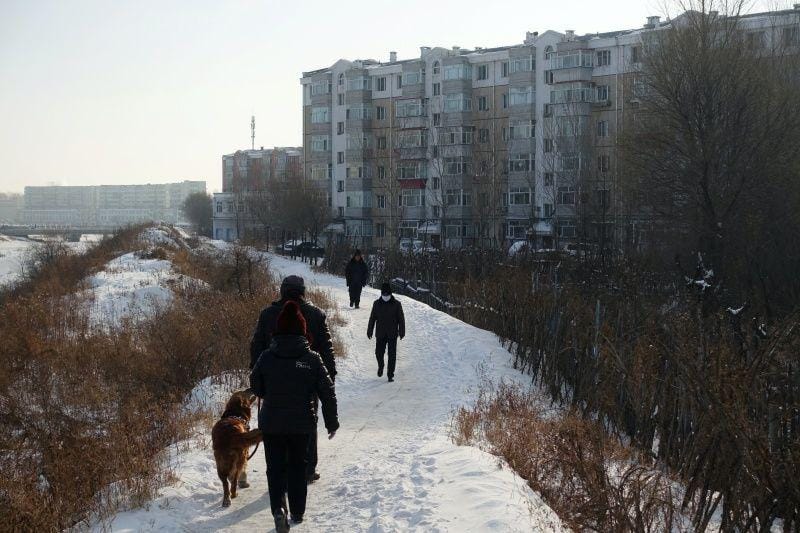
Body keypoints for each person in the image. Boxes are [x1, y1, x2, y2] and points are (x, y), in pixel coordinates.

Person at [250, 301, 339, 532]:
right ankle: (297, 511)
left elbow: (255, 384)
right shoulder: (311, 359)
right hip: (301, 423)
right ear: (303, 329)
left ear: (277, 329)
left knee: (275, 467)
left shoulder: (267, 357)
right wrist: (331, 422)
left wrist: (268, 391)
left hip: (272, 423)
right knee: (299, 466)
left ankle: (279, 509)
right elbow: (327, 391)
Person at [250, 275, 336, 484]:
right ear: (303, 291)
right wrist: (328, 376)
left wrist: (257, 373)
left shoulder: (268, 314)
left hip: (274, 378)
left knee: (277, 422)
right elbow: (326, 347)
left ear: (282, 290)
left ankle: (281, 470)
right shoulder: (316, 314)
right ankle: (307, 469)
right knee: (307, 420)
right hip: (307, 376)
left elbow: (257, 345)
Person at [367, 282, 405, 382]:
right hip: (380, 333)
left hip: (392, 333)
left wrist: (402, 331)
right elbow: (372, 318)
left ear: (390, 294)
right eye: (384, 294)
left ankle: (390, 374)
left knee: (392, 355)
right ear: (381, 294)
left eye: (387, 294)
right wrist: (369, 330)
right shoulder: (376, 304)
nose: (385, 296)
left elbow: (401, 319)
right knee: (378, 353)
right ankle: (381, 365)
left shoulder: (397, 304)